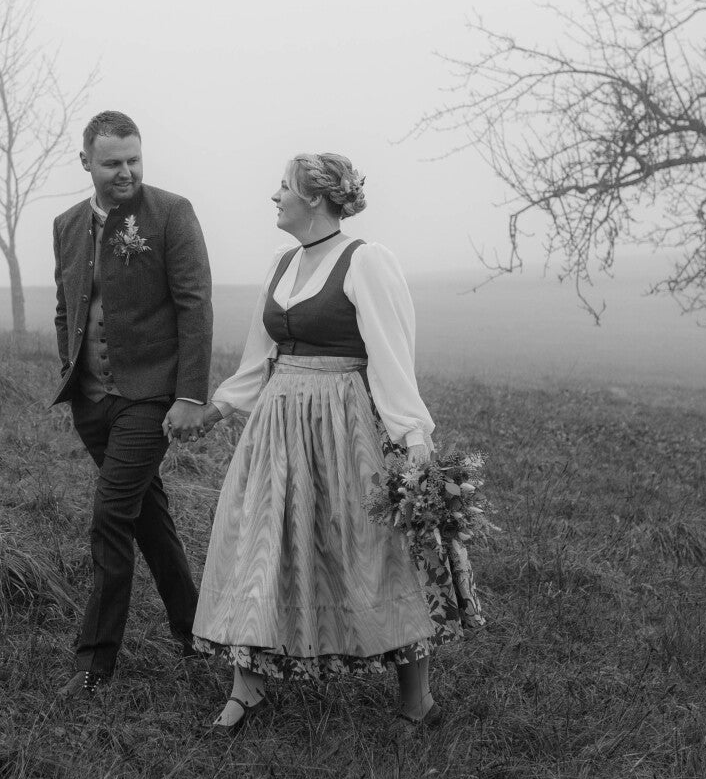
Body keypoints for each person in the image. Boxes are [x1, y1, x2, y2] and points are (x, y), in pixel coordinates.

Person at [189, 152, 447, 731]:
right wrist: (218, 409)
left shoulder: (366, 261)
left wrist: (413, 437)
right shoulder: (281, 264)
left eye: (283, 187)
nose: (274, 196)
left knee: (370, 548)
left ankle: (417, 700)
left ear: (314, 198)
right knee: (261, 537)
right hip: (278, 423)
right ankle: (247, 688)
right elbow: (259, 357)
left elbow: (391, 356)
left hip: (344, 423)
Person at [52, 110, 214, 700]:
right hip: (91, 400)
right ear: (86, 162)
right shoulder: (66, 224)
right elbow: (67, 305)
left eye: (134, 160)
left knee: (111, 517)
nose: (126, 172)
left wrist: (190, 395)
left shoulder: (171, 213)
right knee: (146, 514)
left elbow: (195, 304)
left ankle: (95, 662)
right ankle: (195, 631)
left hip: (151, 396)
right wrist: (71, 369)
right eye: (112, 163)